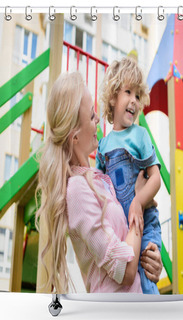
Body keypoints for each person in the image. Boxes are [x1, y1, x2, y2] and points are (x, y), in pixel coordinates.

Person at [35, 72, 162, 294]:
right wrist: (138, 206)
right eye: (92, 116)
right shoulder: (76, 190)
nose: (97, 120)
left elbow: (131, 251)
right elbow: (125, 270)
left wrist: (151, 259)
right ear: (74, 136)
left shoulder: (98, 179)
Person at [96, 57, 162, 294]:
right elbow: (99, 187)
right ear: (113, 96)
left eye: (137, 95)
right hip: (121, 228)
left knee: (145, 282)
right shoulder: (103, 146)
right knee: (125, 286)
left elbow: (155, 178)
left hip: (144, 221)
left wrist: (138, 201)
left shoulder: (140, 135)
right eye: (128, 92)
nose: (133, 101)